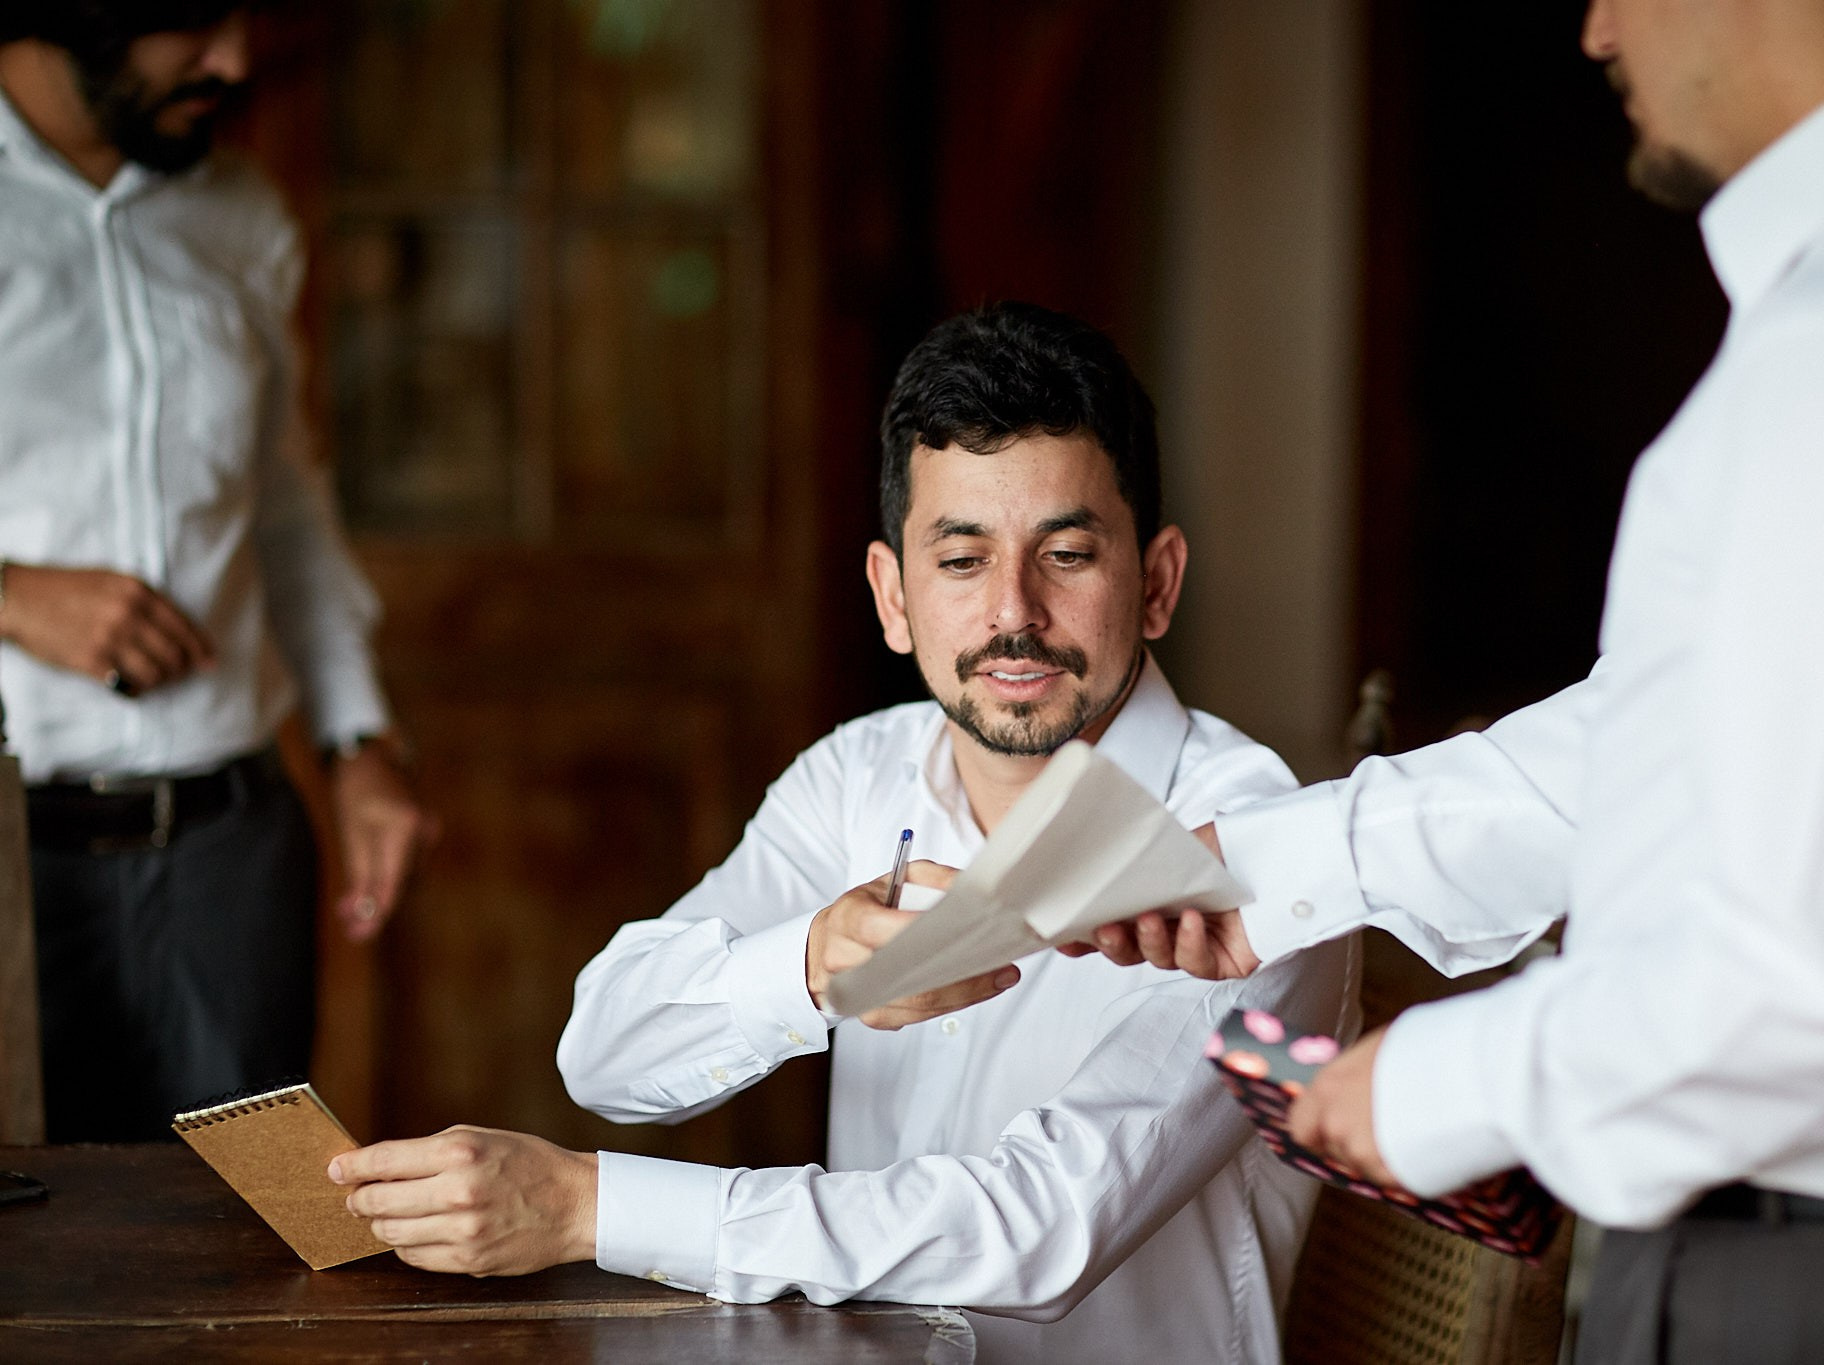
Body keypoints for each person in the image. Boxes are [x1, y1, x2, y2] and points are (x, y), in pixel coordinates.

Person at [1089, 1, 1824, 1358]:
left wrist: (1438, 1084)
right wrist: (1266, 861)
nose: (1595, 31)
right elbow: (1679, 743)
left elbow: (1818, 975)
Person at [330, 303, 1359, 1365]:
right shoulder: (853, 778)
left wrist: (591, 1208)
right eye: (959, 560)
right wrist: (807, 971)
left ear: (1154, 583)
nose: (1013, 610)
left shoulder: (1247, 846)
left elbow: (1041, 1231)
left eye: (1064, 554)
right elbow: (604, 1053)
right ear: (892, 597)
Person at [0, 1, 430, 1142]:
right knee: (35, 1275)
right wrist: (10, 596)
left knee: (254, 1243)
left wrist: (357, 744)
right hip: (8, 867)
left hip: (231, 857)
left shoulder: (239, 213)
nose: (234, 61)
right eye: (189, 20)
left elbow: (284, 499)